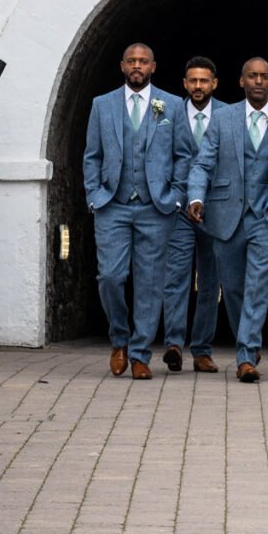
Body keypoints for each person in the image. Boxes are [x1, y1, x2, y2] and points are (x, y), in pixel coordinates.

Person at [187, 57, 268, 382]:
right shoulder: (223, 119)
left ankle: (245, 355)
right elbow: (202, 164)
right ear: (241, 82)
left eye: (263, 76)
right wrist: (196, 197)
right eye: (252, 76)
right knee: (234, 287)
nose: (258, 81)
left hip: (267, 218)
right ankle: (249, 342)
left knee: (257, 284)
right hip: (226, 215)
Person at [83, 43, 191, 380]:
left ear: (153, 67)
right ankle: (120, 339)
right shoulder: (102, 105)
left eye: (143, 61)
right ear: (122, 65)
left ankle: (141, 354)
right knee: (111, 277)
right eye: (131, 60)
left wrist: (175, 197)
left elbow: (184, 155)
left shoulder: (172, 105)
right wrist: (94, 195)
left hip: (155, 207)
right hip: (112, 205)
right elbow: (92, 156)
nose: (137, 66)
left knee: (150, 282)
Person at [162, 57, 226, 374]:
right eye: (192, 81)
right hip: (178, 210)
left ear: (214, 83)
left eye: (204, 81)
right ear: (185, 83)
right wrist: (169, 197)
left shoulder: (229, 115)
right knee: (176, 277)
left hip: (215, 210)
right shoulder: (169, 112)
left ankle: (201, 349)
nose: (198, 86)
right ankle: (174, 343)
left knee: (210, 283)